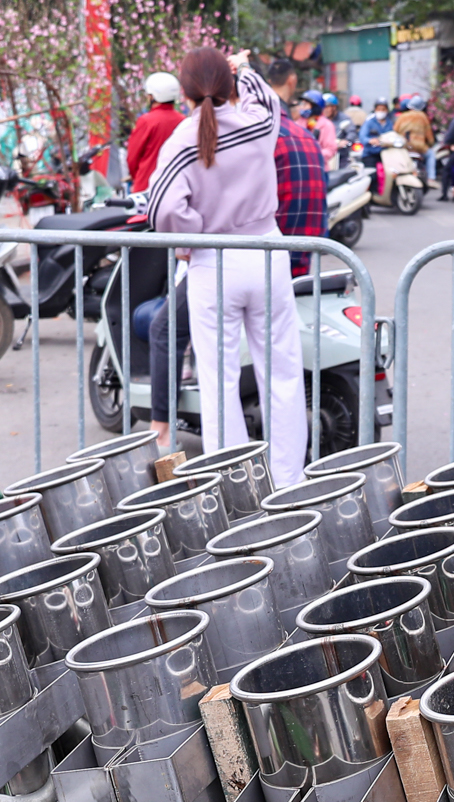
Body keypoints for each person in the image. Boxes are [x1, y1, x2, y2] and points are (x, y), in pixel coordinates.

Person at [148, 48, 308, 485]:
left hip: (213, 261)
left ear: (183, 91)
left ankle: (237, 486)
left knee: (218, 381)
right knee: (283, 373)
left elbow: (162, 209)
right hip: (266, 252)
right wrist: (242, 67)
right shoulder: (259, 120)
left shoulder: (182, 139)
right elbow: (266, 96)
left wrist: (196, 230)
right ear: (229, 83)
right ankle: (289, 481)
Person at [272, 82, 329, 276]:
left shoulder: (323, 125)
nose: (303, 108)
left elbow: (329, 147)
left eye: (307, 105)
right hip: (298, 245)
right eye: (301, 104)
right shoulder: (302, 129)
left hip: (323, 165)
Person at [127, 72, 185, 191]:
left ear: (153, 96)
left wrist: (136, 178)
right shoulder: (183, 121)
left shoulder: (146, 121)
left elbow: (132, 157)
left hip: (146, 184)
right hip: (175, 184)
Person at [394, 96, 434, 164]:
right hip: (419, 148)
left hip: (404, 147)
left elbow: (395, 131)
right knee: (431, 155)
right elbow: (430, 138)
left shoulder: (402, 116)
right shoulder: (423, 116)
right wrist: (431, 143)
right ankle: (431, 174)